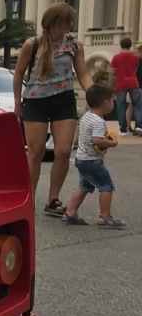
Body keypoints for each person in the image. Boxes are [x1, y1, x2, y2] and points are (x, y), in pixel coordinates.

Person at [13, 2, 92, 217]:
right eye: (66, 20)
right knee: (36, 153)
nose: (70, 24)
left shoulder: (75, 46)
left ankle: (53, 199)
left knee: (63, 151)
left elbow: (83, 74)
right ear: (54, 22)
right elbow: (19, 74)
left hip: (64, 101)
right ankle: (28, 199)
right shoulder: (33, 44)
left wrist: (95, 94)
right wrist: (17, 104)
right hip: (36, 102)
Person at [62, 84, 125, 228]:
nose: (113, 103)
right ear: (105, 103)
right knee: (106, 185)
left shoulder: (87, 116)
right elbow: (97, 140)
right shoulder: (98, 121)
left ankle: (70, 213)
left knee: (84, 186)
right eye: (112, 100)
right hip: (92, 161)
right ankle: (105, 216)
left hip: (82, 158)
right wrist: (112, 143)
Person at [110, 36, 141, 135]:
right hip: (133, 82)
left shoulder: (116, 57)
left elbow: (111, 72)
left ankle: (123, 129)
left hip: (120, 83)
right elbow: (135, 70)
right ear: (130, 45)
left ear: (121, 45)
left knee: (121, 106)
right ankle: (139, 126)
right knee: (137, 105)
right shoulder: (135, 57)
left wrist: (111, 85)